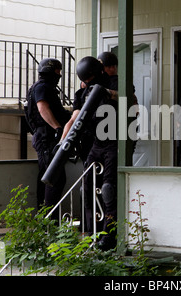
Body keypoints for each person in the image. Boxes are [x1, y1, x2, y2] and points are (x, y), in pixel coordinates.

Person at [62, 56, 119, 251]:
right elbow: (74, 117)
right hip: (95, 143)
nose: (88, 83)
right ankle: (90, 232)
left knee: (109, 190)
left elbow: (131, 101)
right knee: (87, 189)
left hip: (114, 142)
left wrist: (108, 93)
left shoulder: (113, 82)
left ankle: (109, 236)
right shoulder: (83, 92)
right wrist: (62, 142)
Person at [26, 58, 71, 216]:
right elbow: (42, 107)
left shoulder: (39, 86)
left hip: (44, 136)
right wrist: (57, 127)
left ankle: (46, 218)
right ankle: (49, 221)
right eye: (57, 72)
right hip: (46, 137)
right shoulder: (43, 87)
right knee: (54, 177)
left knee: (49, 176)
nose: (59, 75)